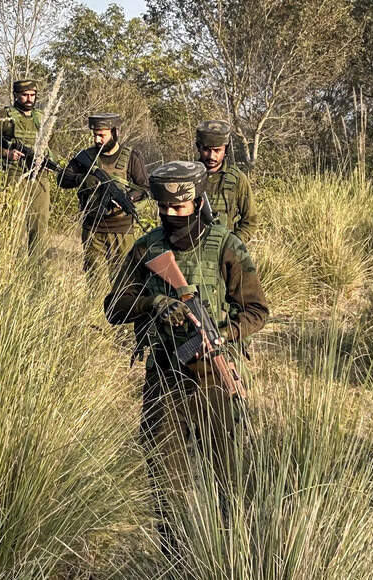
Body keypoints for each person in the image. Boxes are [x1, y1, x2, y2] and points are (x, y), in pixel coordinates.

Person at [103, 160, 269, 556]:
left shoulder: (227, 245)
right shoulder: (147, 248)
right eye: (164, 208)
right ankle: (176, 558)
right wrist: (154, 303)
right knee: (166, 477)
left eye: (180, 208)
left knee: (227, 477)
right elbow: (113, 307)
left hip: (214, 378)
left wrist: (222, 335)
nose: (172, 215)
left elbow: (257, 311)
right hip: (164, 378)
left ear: (197, 202)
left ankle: (232, 554)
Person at [57, 113, 149, 280]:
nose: (97, 140)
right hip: (93, 230)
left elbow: (145, 188)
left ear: (114, 133)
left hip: (121, 231)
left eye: (102, 135)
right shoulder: (86, 157)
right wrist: (82, 179)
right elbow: (62, 179)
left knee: (122, 284)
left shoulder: (131, 158)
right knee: (94, 283)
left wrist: (129, 199)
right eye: (95, 135)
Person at [0, 79, 53, 256]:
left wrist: (48, 161)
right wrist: (6, 153)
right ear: (16, 96)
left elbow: (51, 144)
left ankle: (35, 269)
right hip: (14, 174)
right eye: (25, 95)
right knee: (14, 222)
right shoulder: (4, 115)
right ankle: (12, 264)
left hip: (38, 177)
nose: (29, 99)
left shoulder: (42, 117)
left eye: (32, 95)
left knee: (40, 224)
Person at [195, 120, 258, 243]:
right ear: (198, 147)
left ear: (226, 149)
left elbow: (250, 221)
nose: (212, 156)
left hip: (225, 250)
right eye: (206, 149)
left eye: (217, 150)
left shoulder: (237, 179)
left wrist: (233, 245)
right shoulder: (188, 177)